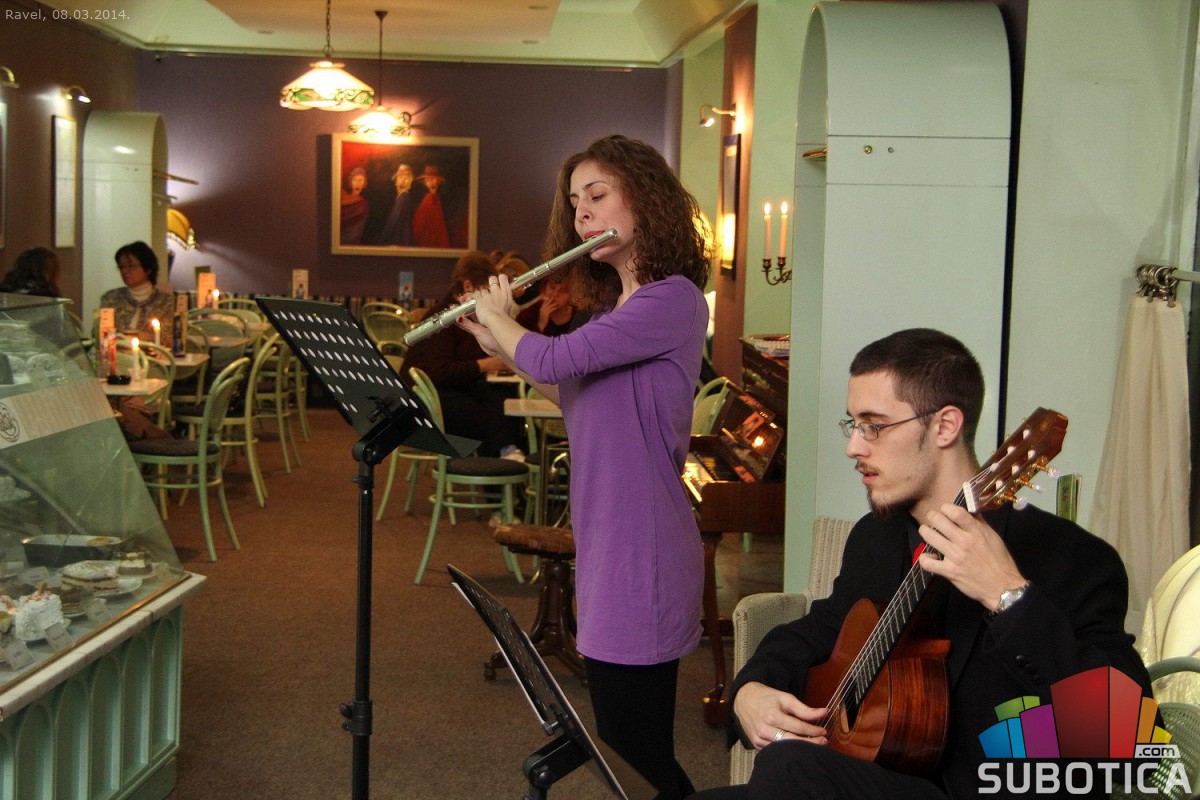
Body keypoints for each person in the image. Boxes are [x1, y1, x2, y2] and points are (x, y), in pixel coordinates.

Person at [692, 328, 1154, 800]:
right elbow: (819, 630)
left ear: (945, 427)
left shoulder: (1071, 558)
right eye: (853, 425)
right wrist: (750, 690)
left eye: (874, 426)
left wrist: (1008, 595)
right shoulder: (878, 537)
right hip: (879, 777)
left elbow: (1131, 745)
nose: (854, 447)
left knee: (789, 768)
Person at [458, 133, 711, 799]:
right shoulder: (620, 307)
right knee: (625, 751)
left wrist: (503, 321)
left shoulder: (672, 299)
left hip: (644, 546)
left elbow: (556, 358)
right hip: (607, 541)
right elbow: (570, 390)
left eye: (597, 195)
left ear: (645, 201)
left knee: (638, 757)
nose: (583, 214)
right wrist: (499, 342)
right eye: (575, 203)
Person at [401, 250, 524, 459]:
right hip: (424, 401)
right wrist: (487, 364)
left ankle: (508, 455)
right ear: (468, 286)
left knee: (502, 398)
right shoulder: (442, 319)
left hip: (450, 389)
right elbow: (440, 372)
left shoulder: (467, 315)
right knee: (486, 416)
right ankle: (502, 460)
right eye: (486, 290)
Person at [99, 241, 175, 349]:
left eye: (131, 266)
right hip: (118, 356)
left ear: (148, 269)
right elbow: (100, 333)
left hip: (154, 357)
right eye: (121, 267)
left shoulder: (166, 301)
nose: (125, 271)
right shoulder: (111, 298)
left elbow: (168, 338)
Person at [378, 163, 417, 246]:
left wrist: (383, 241)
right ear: (395, 181)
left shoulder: (404, 197)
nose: (403, 181)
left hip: (398, 242)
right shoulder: (401, 198)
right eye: (400, 177)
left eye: (406, 178)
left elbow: (393, 222)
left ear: (410, 182)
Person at [412, 164, 451, 248]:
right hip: (426, 240)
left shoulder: (440, 199)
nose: (431, 182)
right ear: (425, 183)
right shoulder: (427, 199)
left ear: (438, 181)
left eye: (433, 179)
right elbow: (419, 224)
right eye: (428, 180)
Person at [339, 166, 369, 245]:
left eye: (361, 180)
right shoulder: (342, 197)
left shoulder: (363, 204)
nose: (358, 183)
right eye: (355, 180)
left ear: (364, 183)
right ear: (350, 182)